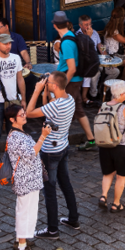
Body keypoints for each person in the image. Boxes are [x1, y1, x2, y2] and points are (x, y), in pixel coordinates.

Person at [25, 72, 79, 240]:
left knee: (50, 190)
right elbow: (48, 108)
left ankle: (53, 229)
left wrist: (36, 90)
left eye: (48, 84)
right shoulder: (69, 100)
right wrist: (45, 93)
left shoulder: (55, 106)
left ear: (54, 86)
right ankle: (73, 219)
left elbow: (29, 112)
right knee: (66, 184)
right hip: (63, 147)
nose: (45, 84)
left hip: (49, 152)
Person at [5, 104, 49, 250]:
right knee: (25, 213)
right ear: (12, 119)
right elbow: (31, 154)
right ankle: (22, 246)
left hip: (30, 179)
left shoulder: (19, 133)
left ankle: (21, 240)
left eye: (24, 113)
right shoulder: (16, 136)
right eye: (21, 114)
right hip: (25, 181)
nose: (24, 116)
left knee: (27, 211)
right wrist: (43, 136)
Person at [52, 11, 96, 151]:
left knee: (63, 112)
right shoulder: (71, 36)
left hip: (70, 81)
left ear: (54, 25)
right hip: (75, 80)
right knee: (77, 110)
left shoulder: (66, 43)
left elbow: (71, 68)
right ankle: (91, 140)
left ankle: (58, 144)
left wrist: (62, 85)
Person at [98, 80, 125, 213]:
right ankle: (116, 204)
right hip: (121, 146)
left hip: (105, 145)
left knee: (108, 173)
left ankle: (103, 196)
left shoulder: (103, 105)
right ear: (122, 94)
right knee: (120, 176)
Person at [0, 33, 26, 154]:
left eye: (9, 43)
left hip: (13, 101)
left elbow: (20, 79)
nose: (8, 46)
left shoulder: (16, 58)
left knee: (15, 133)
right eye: (5, 44)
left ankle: (13, 159)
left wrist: (23, 99)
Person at [76, 15, 102, 105]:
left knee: (114, 71)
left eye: (90, 24)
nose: (89, 27)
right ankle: (90, 96)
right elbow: (83, 51)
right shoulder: (78, 35)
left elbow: (100, 46)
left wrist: (106, 55)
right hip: (85, 62)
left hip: (95, 60)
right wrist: (88, 37)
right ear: (80, 25)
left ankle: (99, 91)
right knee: (93, 73)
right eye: (86, 24)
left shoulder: (95, 33)